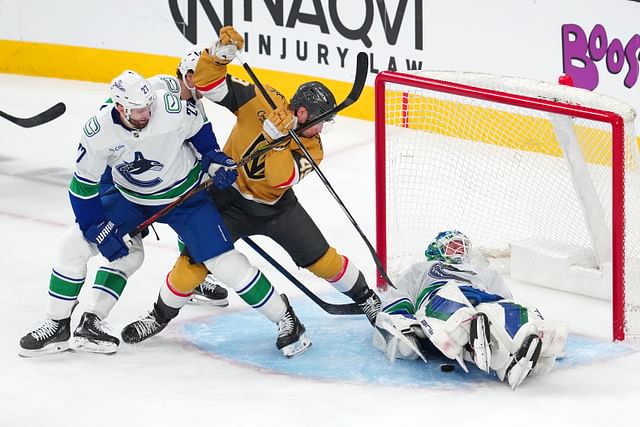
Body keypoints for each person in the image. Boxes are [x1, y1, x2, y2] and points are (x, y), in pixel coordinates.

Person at [121, 26, 381, 355]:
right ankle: (158, 316)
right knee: (190, 266)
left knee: (323, 261)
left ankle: (367, 298)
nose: (322, 130)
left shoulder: (312, 148)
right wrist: (218, 56)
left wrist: (275, 143)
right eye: (321, 121)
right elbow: (207, 84)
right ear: (302, 113)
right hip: (227, 202)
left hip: (277, 210)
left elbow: (278, 181)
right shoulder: (262, 99)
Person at [18, 69, 283, 357]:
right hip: (132, 199)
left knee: (224, 262)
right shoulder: (99, 130)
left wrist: (213, 159)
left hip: (186, 198)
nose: (147, 113)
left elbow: (200, 134)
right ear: (120, 107)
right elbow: (82, 188)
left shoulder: (169, 107)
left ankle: (284, 318)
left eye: (148, 106)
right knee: (76, 244)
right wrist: (96, 227)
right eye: (139, 111)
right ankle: (60, 324)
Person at [372, 230, 568, 390]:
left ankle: (514, 359)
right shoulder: (422, 268)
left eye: (462, 245)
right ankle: (471, 340)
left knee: (511, 310)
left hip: (481, 302)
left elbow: (505, 299)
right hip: (440, 299)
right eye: (453, 245)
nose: (459, 249)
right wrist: (403, 319)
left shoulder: (484, 272)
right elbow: (401, 294)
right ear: (437, 249)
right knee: (453, 303)